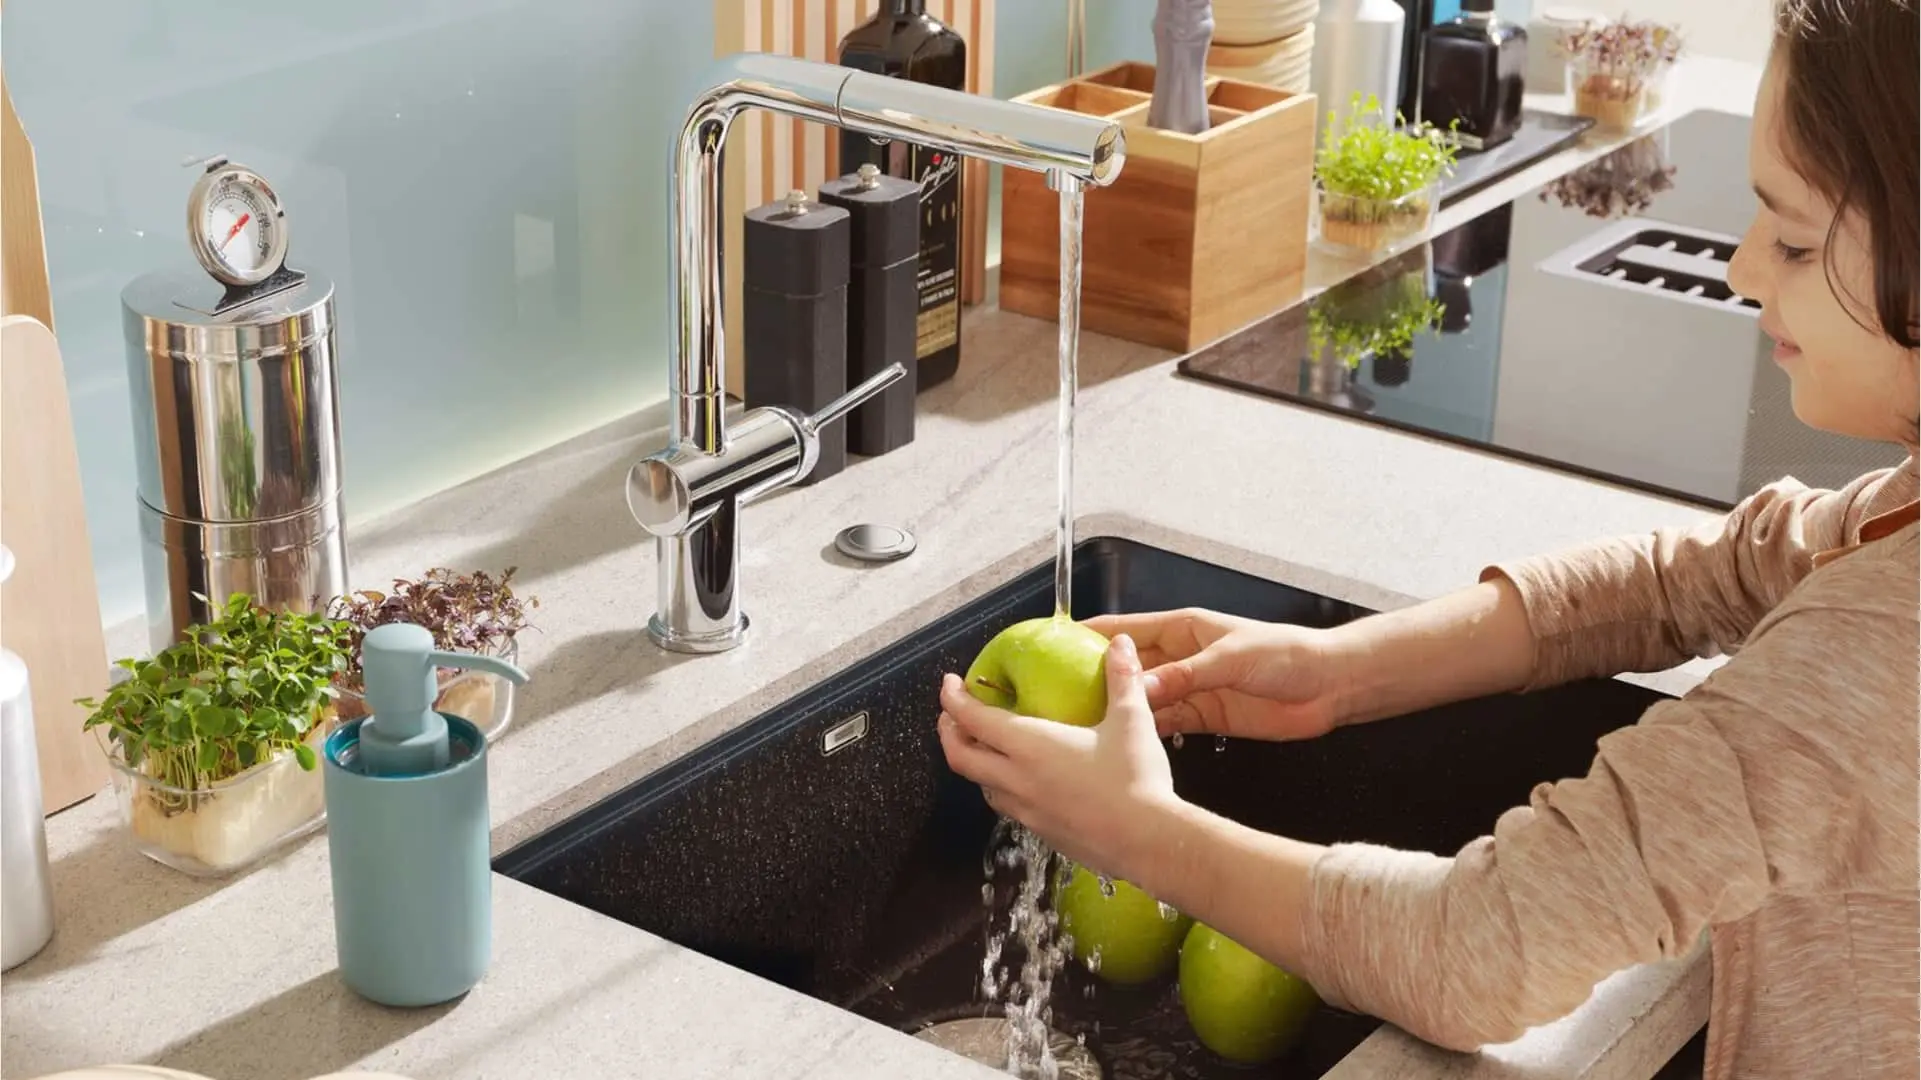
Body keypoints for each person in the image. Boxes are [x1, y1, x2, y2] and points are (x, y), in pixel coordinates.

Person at [934, 1, 1919, 1076]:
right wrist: (1339, 671)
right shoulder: (1894, 524)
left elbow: (1482, 950)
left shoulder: (1880, 644)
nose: (1738, 269)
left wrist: (1146, 840)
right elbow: (1705, 577)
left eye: (1789, 236)